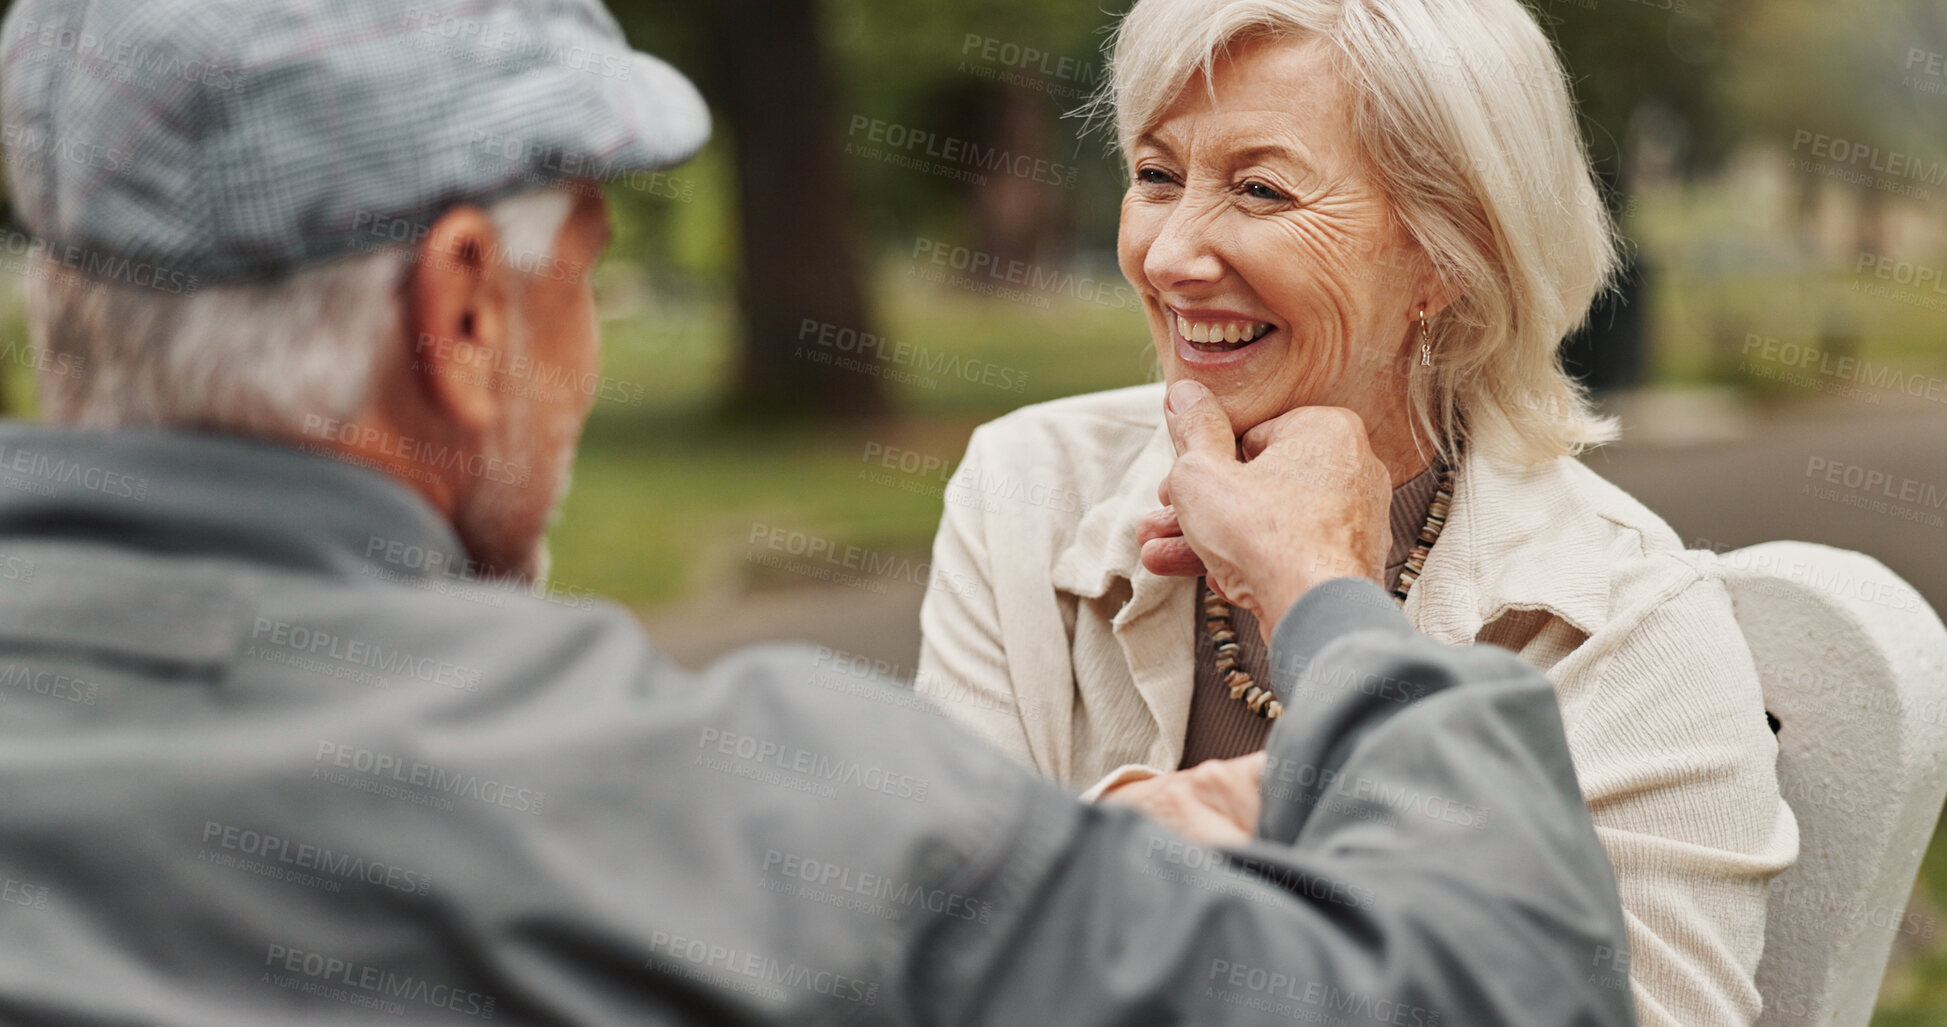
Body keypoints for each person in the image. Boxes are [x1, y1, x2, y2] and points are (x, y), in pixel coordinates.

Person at [0, 0, 1632, 1023]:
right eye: (587, 255)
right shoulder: (740, 826)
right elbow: (1512, 982)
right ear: (466, 318)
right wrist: (1335, 604)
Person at [913, 1, 1796, 1025]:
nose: (1168, 255)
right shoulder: (1026, 485)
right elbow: (911, 954)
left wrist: (1313, 588)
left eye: (1260, 188)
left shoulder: (1629, 628)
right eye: (1156, 175)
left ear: (1447, 253)